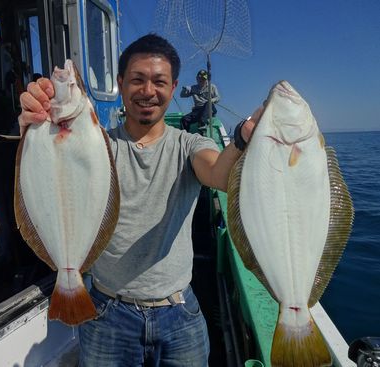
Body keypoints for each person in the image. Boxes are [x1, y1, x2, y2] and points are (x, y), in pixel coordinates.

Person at [18, 33, 257, 366]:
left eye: (159, 81)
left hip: (180, 313)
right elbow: (53, 172)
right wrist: (35, 131)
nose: (148, 91)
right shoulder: (98, 145)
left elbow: (218, 175)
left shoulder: (188, 145)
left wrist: (244, 138)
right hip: (106, 312)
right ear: (120, 84)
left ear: (173, 88)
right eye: (137, 80)